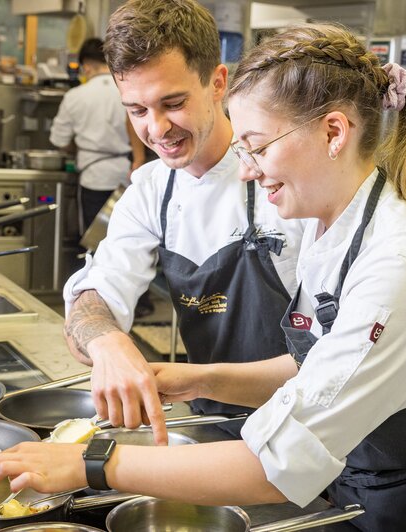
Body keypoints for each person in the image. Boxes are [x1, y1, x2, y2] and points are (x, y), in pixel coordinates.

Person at [0, 23, 406, 532]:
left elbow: (275, 467)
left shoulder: (397, 269)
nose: (244, 169)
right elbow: (315, 367)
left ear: (334, 133)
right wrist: (197, 380)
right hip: (359, 485)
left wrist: (89, 465)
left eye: (257, 146)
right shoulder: (332, 228)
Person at [60, 0, 305, 444]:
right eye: (136, 110)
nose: (156, 129)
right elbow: (91, 303)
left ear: (217, 82)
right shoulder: (151, 190)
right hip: (212, 427)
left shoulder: (285, 178)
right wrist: (108, 344)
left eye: (172, 103)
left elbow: (343, 354)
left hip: (311, 427)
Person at [50, 37, 147, 233]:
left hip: (93, 178)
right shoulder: (127, 91)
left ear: (86, 66)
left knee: (94, 242)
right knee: (126, 238)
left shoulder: (75, 96)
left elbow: (59, 140)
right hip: (126, 176)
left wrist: (76, 146)